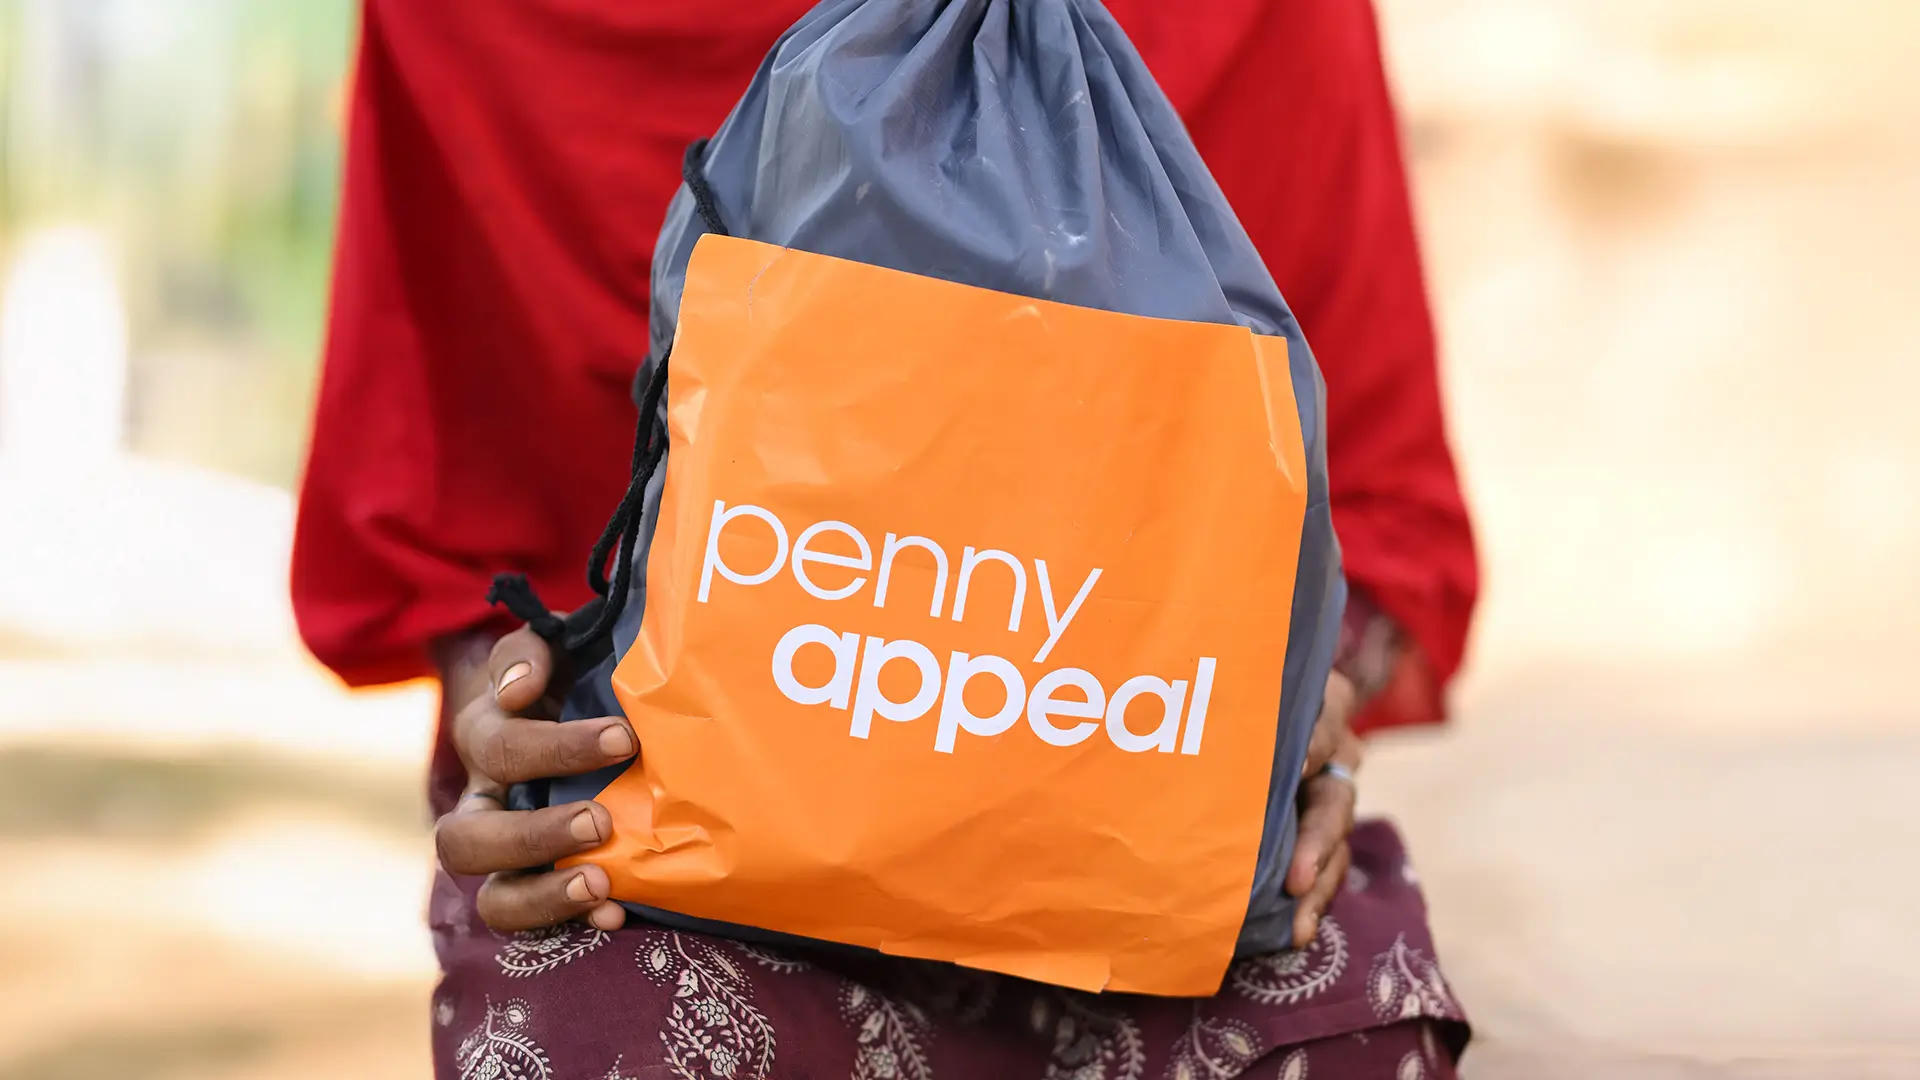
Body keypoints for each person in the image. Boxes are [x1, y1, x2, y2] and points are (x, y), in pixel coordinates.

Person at [293, 1, 1479, 1076]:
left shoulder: (1258, 20)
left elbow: (1380, 521)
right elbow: (432, 521)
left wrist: (1298, 703)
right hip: (677, 829)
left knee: (1354, 1035)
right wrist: (503, 715)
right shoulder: (477, 28)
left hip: (1137, 809)